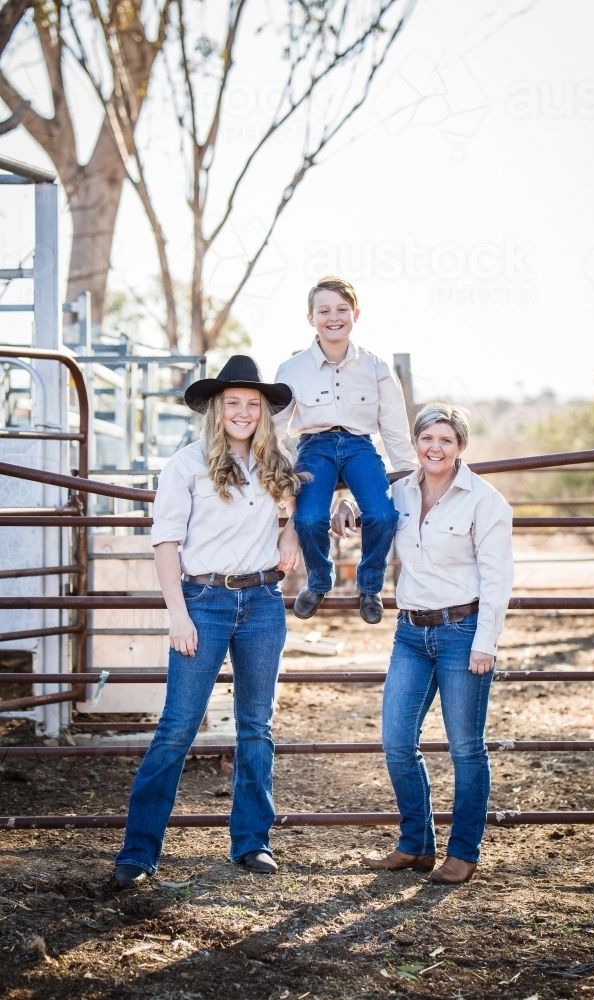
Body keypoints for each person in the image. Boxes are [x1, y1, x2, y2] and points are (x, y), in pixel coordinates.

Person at [113, 356, 301, 888]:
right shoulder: (187, 464)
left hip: (262, 602)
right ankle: (139, 851)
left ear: (263, 413)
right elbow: (166, 543)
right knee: (178, 727)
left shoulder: (275, 463)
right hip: (203, 601)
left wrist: (287, 535)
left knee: (256, 726)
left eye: (252, 404)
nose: (242, 412)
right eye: (233, 403)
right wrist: (178, 614)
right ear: (217, 410)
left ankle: (252, 842)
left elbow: (290, 513)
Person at [333, 402, 513, 884]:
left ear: (460, 447)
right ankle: (416, 844)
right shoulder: (399, 493)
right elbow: (368, 513)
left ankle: (464, 852)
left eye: (446, 440)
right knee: (396, 741)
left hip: (462, 634)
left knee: (466, 749)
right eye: (427, 439)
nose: (435, 448)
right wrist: (348, 503)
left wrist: (486, 643)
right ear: (416, 443)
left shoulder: (485, 501)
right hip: (410, 633)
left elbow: (498, 578)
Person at [273, 275, 417, 625]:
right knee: (308, 519)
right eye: (323, 310)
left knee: (383, 515)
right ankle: (320, 581)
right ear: (311, 318)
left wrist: (417, 482)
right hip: (313, 447)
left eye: (341, 309)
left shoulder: (376, 367)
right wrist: (282, 474)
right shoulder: (291, 370)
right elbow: (273, 431)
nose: (333, 317)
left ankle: (369, 587)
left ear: (356, 313)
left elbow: (396, 432)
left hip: (359, 446)